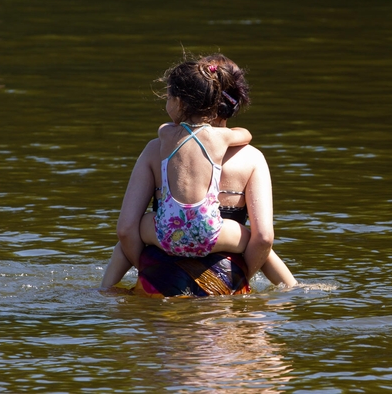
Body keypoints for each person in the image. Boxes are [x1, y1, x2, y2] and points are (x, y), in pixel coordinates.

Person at [101, 54, 296, 295]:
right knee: (258, 241)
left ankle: (103, 289)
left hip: (159, 270)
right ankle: (296, 290)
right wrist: (244, 274)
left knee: (135, 231)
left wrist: (147, 267)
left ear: (184, 100)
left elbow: (125, 230)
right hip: (228, 277)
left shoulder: (157, 147)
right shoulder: (252, 157)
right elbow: (264, 238)